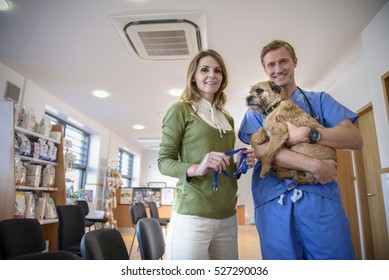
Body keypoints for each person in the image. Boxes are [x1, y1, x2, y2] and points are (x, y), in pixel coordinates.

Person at [238, 40, 363, 260]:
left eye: (284, 61)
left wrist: (308, 133)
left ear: (294, 62)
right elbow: (260, 151)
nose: (278, 69)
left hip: (320, 198)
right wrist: (314, 164)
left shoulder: (320, 101)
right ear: (265, 70)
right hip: (274, 200)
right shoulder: (256, 109)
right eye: (271, 65)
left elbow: (354, 138)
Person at [158, 49, 255, 260]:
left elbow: (225, 166)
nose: (212, 75)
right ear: (194, 76)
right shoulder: (180, 110)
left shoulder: (227, 118)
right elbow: (164, 161)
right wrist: (197, 168)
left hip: (228, 216)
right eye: (204, 70)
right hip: (192, 216)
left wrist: (240, 165)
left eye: (217, 70)